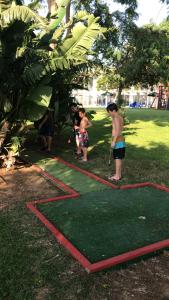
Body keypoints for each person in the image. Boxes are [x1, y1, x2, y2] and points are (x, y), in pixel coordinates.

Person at [107, 103, 125, 181]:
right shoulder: (120, 117)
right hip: (120, 139)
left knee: (117, 158)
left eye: (109, 112)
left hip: (118, 140)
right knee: (118, 158)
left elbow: (117, 130)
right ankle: (118, 174)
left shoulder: (116, 118)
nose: (109, 113)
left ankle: (117, 176)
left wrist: (114, 141)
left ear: (113, 110)